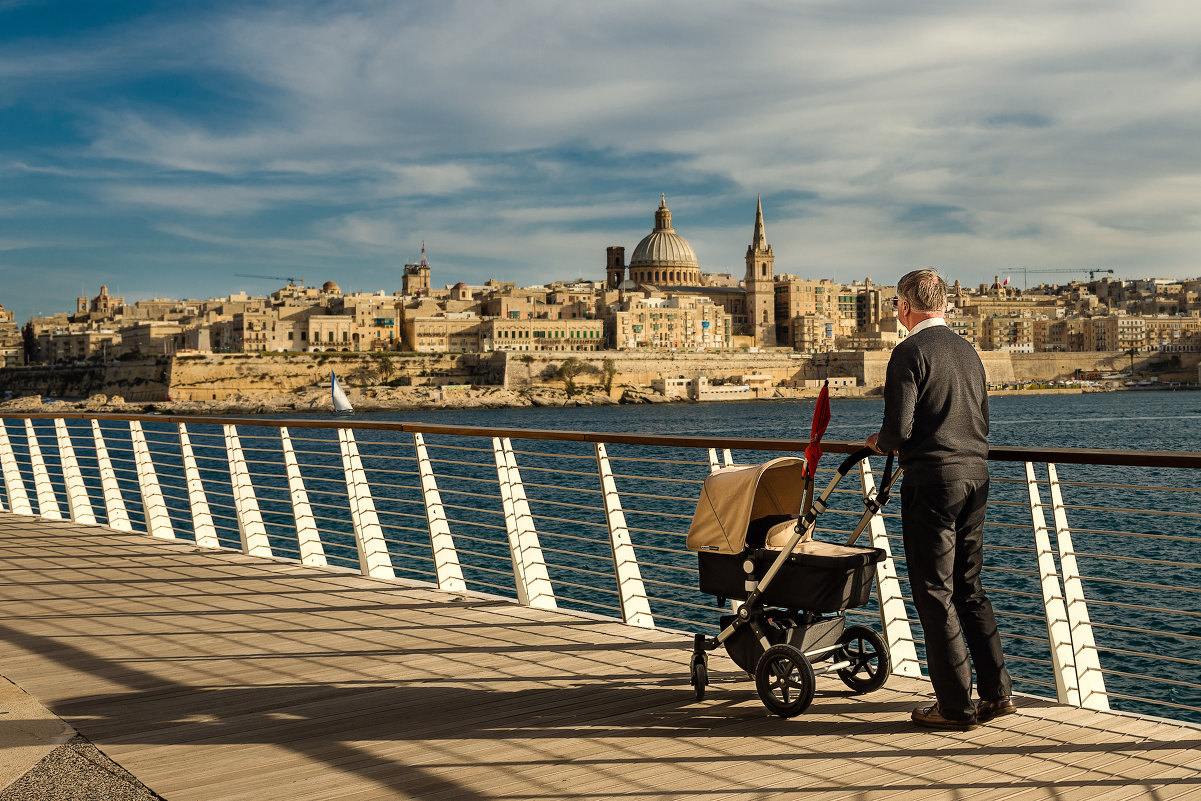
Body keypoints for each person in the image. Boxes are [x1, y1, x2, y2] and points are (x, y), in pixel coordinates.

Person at [865, 268, 1014, 730]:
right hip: (976, 476)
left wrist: (879, 442)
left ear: (905, 306)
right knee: (970, 588)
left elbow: (899, 430)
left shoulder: (908, 352)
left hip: (932, 482)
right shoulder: (969, 352)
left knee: (934, 592)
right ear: (944, 305)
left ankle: (954, 706)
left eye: (896, 304)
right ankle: (997, 693)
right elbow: (983, 418)